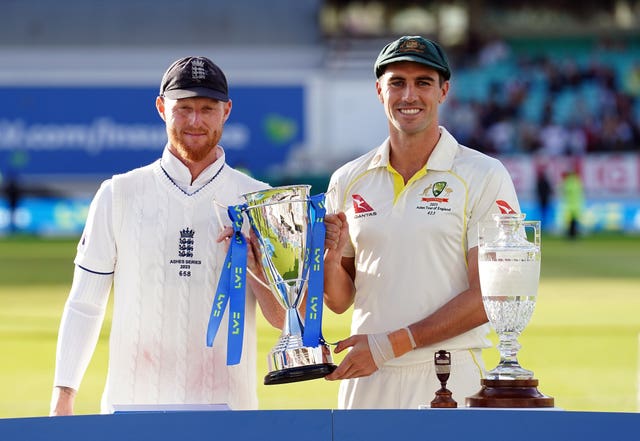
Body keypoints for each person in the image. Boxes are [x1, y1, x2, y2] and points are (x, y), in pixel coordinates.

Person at [50, 56, 283, 416]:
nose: (195, 121)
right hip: (130, 411)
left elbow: (285, 320)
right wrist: (63, 397)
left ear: (227, 111)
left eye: (207, 108)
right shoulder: (118, 194)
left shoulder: (258, 200)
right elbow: (85, 304)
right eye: (184, 108)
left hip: (228, 414)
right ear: (161, 107)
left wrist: (256, 267)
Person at [323, 36, 521, 409]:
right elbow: (339, 300)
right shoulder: (348, 179)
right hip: (366, 375)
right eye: (397, 82)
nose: (409, 95)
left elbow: (488, 298)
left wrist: (389, 345)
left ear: (444, 91)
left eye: (423, 83)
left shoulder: (483, 174)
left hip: (447, 374)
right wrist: (329, 263)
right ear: (379, 90)